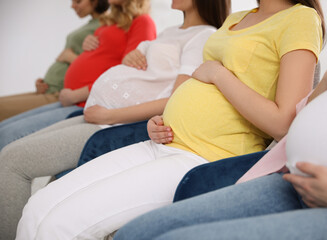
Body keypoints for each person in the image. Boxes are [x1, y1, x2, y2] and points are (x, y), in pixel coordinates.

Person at [15, 0, 324, 239]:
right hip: (162, 139)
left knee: (60, 224)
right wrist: (163, 115)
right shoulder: (237, 18)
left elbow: (284, 122)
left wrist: (218, 73)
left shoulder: (300, 18)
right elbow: (197, 87)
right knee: (37, 207)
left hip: (203, 155)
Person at [0, 0, 229, 239]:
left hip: (115, 123)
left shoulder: (204, 35)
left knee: (13, 161)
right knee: (14, 159)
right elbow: (149, 73)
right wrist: (133, 56)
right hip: (97, 112)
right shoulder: (170, 31)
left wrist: (109, 114)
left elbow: (176, 98)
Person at [112, 58, 327, 240]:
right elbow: (304, 118)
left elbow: (280, 124)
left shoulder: (300, 22)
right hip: (293, 179)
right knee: (135, 233)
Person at [0, 0, 156, 151]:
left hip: (85, 102)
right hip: (72, 99)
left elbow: (130, 76)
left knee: (7, 135)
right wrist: (90, 43)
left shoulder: (142, 21)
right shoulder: (112, 22)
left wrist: (76, 95)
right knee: (3, 129)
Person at [0, 0, 109, 122]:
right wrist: (46, 81)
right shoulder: (93, 24)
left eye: (78, 1)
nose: (72, 6)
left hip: (61, 93)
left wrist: (70, 57)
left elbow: (104, 68)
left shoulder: (107, 26)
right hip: (48, 89)